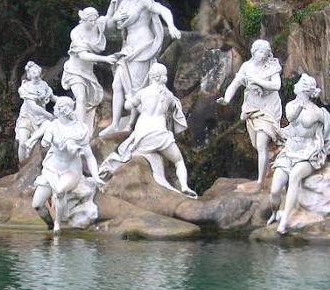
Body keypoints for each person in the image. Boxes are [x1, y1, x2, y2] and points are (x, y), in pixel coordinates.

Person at [269, 73, 330, 234]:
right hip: (290, 152)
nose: (295, 86)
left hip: (308, 154)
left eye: (298, 84)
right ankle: (273, 212)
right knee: (274, 190)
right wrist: (301, 105)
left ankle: (283, 223)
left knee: (295, 176)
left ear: (303, 89)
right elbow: (291, 117)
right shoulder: (291, 105)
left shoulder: (317, 112)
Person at [99, 0, 182, 136]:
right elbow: (107, 24)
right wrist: (114, 19)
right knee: (117, 84)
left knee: (137, 88)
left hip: (143, 45)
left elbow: (162, 10)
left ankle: (135, 122)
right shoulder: (118, 0)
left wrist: (171, 26)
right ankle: (115, 123)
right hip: (127, 47)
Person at [99, 62, 197, 198]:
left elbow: (128, 106)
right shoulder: (169, 96)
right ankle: (184, 186)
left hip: (143, 133)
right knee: (179, 161)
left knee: (127, 154)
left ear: (151, 76)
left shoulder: (144, 92)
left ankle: (109, 172)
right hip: (161, 134)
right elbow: (173, 112)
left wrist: (129, 96)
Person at [27, 97, 105, 232]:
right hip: (51, 168)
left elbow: (89, 156)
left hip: (71, 170)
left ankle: (58, 224)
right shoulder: (53, 126)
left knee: (60, 190)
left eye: (68, 106)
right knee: (37, 204)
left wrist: (96, 176)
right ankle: (50, 224)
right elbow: (46, 138)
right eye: (62, 106)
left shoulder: (79, 129)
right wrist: (44, 141)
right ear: (57, 109)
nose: (65, 109)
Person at [217, 39, 283, 192]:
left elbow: (276, 85)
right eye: (260, 52)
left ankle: (260, 182)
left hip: (268, 108)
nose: (262, 56)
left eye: (265, 53)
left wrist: (258, 81)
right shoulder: (247, 66)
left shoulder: (271, 66)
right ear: (254, 52)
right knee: (257, 145)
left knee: (261, 144)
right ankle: (272, 160)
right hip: (252, 108)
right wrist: (226, 99)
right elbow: (235, 84)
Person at [62, 7, 117, 133]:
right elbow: (83, 55)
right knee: (81, 97)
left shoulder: (97, 24)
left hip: (88, 72)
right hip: (74, 71)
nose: (93, 22)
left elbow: (109, 19)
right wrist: (105, 59)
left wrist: (117, 10)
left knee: (89, 101)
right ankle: (79, 128)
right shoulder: (76, 33)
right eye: (90, 20)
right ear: (84, 20)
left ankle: (81, 123)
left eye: (95, 19)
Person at [15, 61, 57, 163]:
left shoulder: (44, 85)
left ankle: (31, 141)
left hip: (41, 118)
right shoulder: (25, 87)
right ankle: (22, 165)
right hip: (27, 117)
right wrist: (49, 115)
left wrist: (65, 102)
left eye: (36, 69)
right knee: (22, 143)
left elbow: (53, 98)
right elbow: (33, 107)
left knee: (48, 124)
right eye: (32, 70)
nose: (35, 71)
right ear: (29, 74)